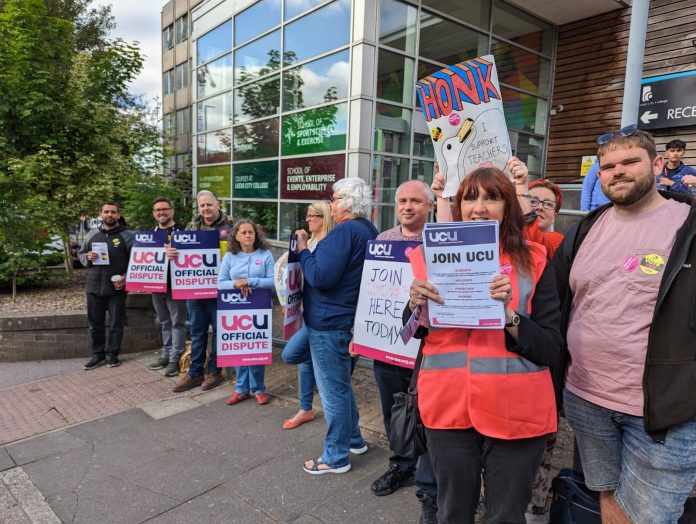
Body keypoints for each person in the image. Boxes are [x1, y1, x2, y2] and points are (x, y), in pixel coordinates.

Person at [552, 126, 696, 523]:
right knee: (607, 501)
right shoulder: (584, 229)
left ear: (656, 163)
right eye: (607, 166)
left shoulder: (689, 226)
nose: (617, 171)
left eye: (629, 161)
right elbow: (554, 302)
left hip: (663, 415)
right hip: (586, 401)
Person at [408, 167, 563, 522]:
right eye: (470, 197)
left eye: (491, 197)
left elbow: (550, 348)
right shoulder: (426, 258)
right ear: (458, 205)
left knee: (506, 517)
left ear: (508, 206)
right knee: (452, 513)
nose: (479, 207)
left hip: (516, 412)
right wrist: (415, 308)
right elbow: (413, 333)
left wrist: (508, 316)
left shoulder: (536, 260)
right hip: (447, 410)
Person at [360, 180, 439, 523]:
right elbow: (371, 293)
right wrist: (360, 332)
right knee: (394, 412)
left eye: (416, 201)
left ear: (430, 206)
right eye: (402, 200)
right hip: (386, 343)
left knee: (431, 418)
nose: (407, 206)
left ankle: (431, 486)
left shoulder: (439, 242)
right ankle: (401, 466)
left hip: (427, 346)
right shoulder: (382, 241)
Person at [294, 177, 378, 475]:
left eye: (336, 198)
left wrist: (304, 249)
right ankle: (354, 439)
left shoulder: (344, 232)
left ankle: (335, 457)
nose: (331, 203)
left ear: (348, 202)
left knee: (333, 392)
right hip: (344, 320)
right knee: (338, 386)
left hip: (329, 322)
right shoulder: (368, 229)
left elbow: (320, 278)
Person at [169, 190, 233, 393]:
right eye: (202, 205)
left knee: (220, 331)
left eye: (209, 204)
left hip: (221, 289)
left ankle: (215, 370)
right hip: (195, 290)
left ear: (218, 204)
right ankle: (195, 372)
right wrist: (172, 252)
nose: (205, 209)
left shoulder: (231, 225)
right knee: (197, 332)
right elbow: (181, 254)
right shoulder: (191, 226)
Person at [280, 201, 335, 429]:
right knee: (303, 362)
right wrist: (289, 301)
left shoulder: (328, 245)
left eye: (314, 215)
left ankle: (310, 408)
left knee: (291, 355)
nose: (308, 219)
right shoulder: (309, 242)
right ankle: (305, 408)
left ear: (325, 217)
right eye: (308, 215)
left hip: (321, 316)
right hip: (306, 313)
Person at [219, 219, 275, 406]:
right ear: (236, 236)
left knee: (256, 348)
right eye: (243, 232)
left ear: (256, 234)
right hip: (235, 308)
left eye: (251, 232)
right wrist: (236, 284)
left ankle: (259, 388)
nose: (248, 235)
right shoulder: (229, 257)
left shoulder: (265, 254)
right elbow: (220, 283)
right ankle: (241, 389)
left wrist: (250, 281)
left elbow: (273, 281)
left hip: (259, 307)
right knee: (240, 348)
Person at [78, 202, 134, 370]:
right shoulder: (92, 234)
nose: (110, 215)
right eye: (106, 212)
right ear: (100, 214)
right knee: (94, 323)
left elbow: (136, 261)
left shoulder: (128, 235)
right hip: (94, 285)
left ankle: (113, 355)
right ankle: (97, 355)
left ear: (118, 214)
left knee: (116, 323)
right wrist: (87, 257)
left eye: (113, 212)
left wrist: (126, 278)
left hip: (117, 287)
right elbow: (81, 254)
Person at [147, 197, 187, 377]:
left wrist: (179, 252)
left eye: (165, 209)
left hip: (176, 285)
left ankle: (175, 358)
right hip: (157, 285)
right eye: (158, 210)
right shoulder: (150, 233)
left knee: (177, 322)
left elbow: (194, 254)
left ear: (172, 211)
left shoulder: (184, 231)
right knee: (164, 322)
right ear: (154, 214)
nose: (161, 212)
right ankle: (166, 354)